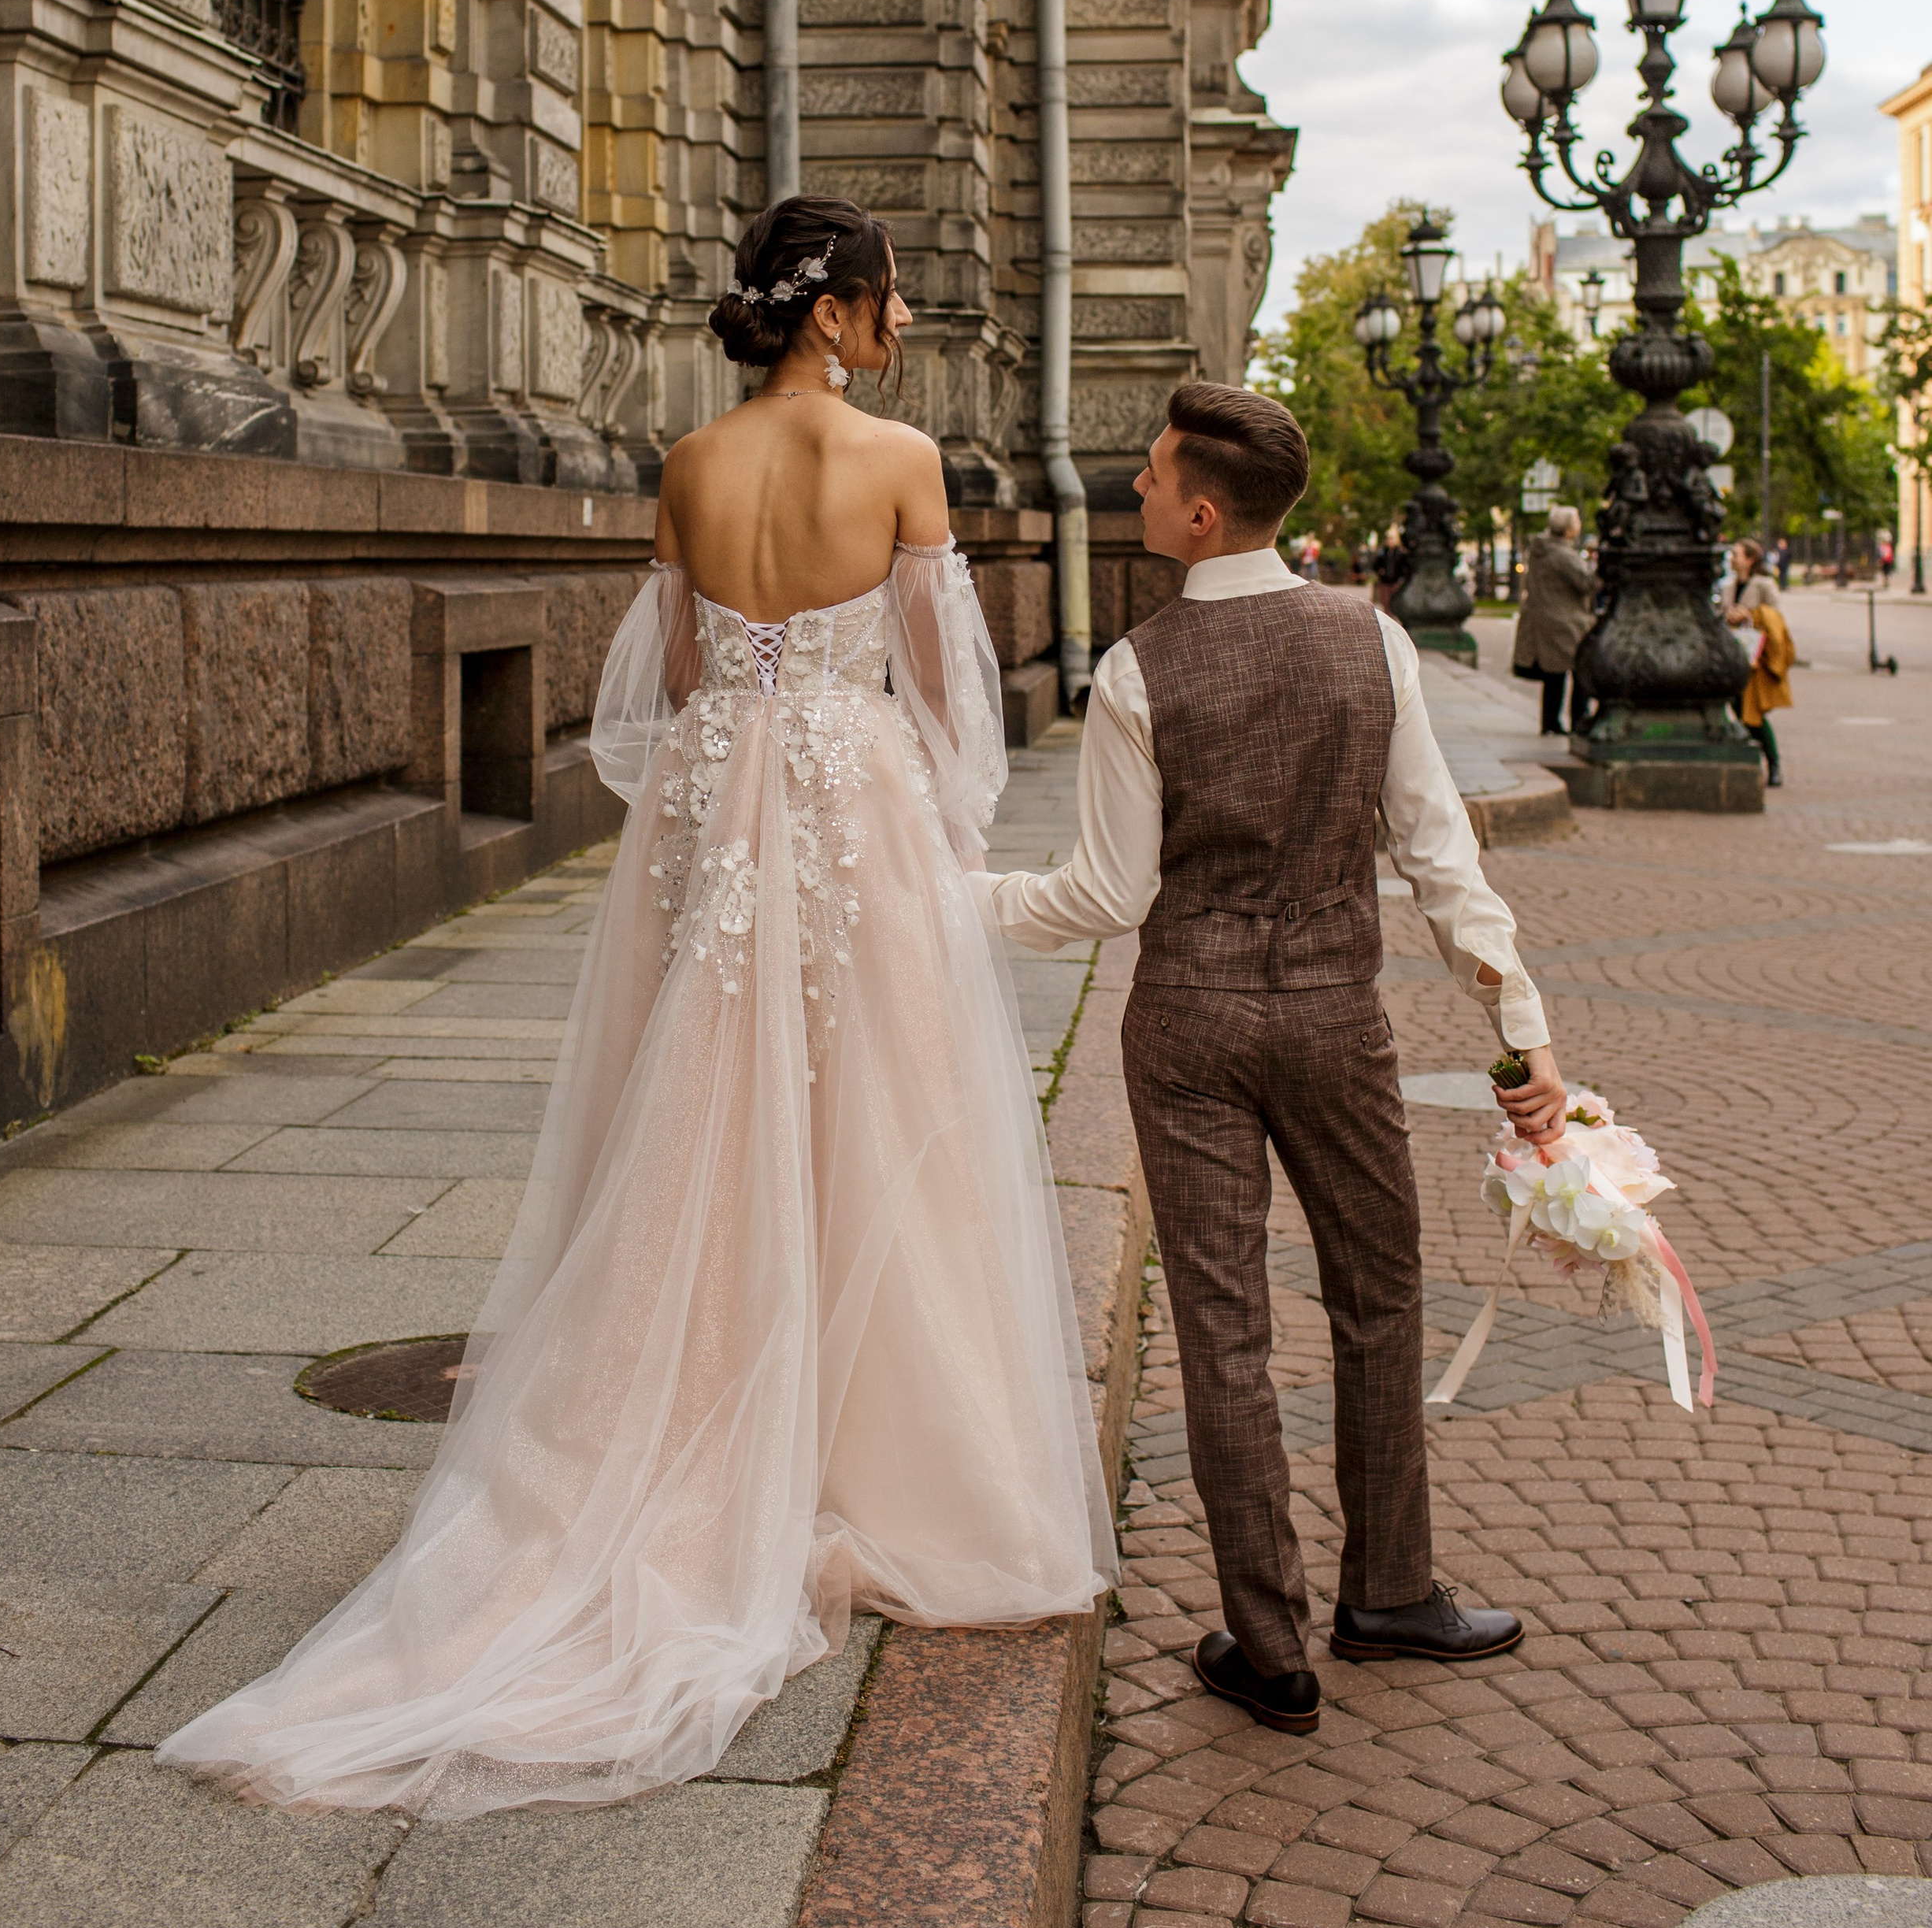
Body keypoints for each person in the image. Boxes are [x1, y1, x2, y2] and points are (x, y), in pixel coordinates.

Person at [158, 197, 1114, 1818]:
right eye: (883, 301)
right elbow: (952, 693)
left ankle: (682, 1440)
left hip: (710, 803)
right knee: (879, 1111)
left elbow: (664, 684)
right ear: (833, 314)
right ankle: (871, 1457)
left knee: (698, 1111)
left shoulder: (682, 463)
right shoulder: (897, 464)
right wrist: (934, 821)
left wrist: (745, 754)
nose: (896, 325)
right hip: (844, 799)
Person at [989, 383, 1567, 1741]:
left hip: (1187, 1018)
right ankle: (1394, 1591)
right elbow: (1438, 856)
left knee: (1225, 1330)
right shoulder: (1369, 644)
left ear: (1202, 512)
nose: (1128, 492)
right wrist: (1521, 1032)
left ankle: (1270, 1648)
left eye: (1144, 478)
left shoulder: (1137, 669)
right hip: (1331, 1014)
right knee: (1379, 1292)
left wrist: (955, 896)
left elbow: (1106, 896)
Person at [1512, 503, 1595, 736]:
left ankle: (1550, 722)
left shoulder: (1541, 550)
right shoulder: (1563, 555)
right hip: (1566, 621)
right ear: (1569, 529)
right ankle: (1579, 720)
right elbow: (1586, 583)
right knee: (1580, 670)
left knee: (1554, 675)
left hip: (1545, 619)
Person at [1735, 587, 1794, 787]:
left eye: (1739, 554)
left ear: (1750, 559)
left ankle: (1773, 763)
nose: (1734, 558)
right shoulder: (1730, 584)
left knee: (1753, 714)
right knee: (1738, 711)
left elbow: (1776, 617)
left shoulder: (1762, 584)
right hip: (1733, 656)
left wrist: (1750, 615)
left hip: (1756, 661)